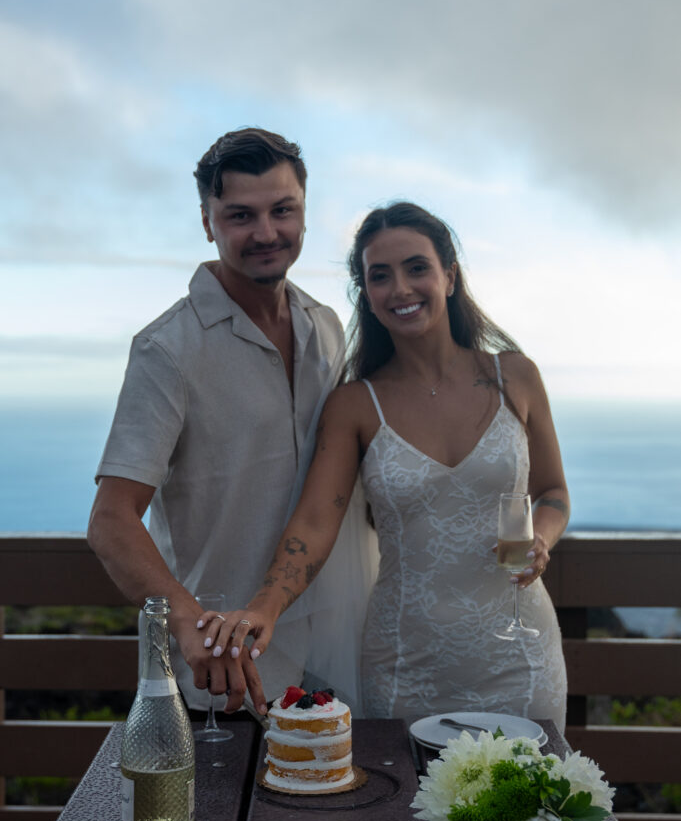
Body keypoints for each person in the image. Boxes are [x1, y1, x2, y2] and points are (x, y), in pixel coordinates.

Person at [203, 202, 570, 729]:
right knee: (406, 811)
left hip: (520, 655)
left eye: (416, 267)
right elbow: (312, 525)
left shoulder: (517, 376)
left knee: (528, 809)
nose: (400, 288)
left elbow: (554, 493)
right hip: (407, 664)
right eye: (380, 276)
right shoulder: (355, 405)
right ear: (367, 296)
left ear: (449, 276)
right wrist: (264, 608)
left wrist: (542, 539)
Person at [87, 127, 346, 717]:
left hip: (333, 655)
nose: (265, 233)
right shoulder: (167, 348)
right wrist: (189, 625)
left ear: (304, 210)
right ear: (207, 222)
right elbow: (110, 520)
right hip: (222, 673)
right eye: (239, 215)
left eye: (283, 210)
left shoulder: (325, 325)